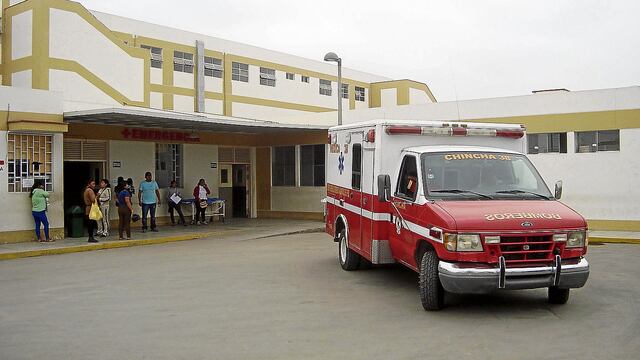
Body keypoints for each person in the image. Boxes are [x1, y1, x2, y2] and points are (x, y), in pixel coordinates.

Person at [83, 178, 98, 243]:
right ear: (89, 184)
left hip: (87, 208)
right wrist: (97, 196)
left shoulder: (86, 190)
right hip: (90, 208)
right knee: (91, 224)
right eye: (93, 184)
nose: (94, 185)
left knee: (89, 223)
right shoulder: (90, 191)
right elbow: (93, 200)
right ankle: (91, 237)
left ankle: (90, 237)